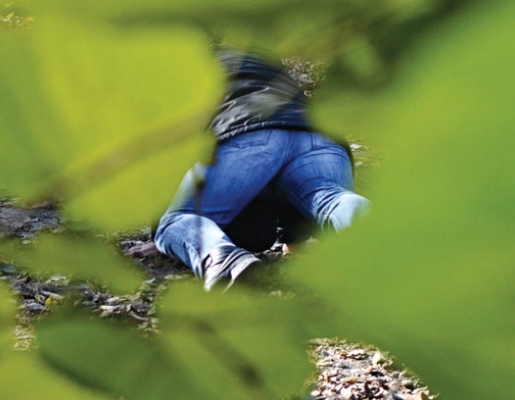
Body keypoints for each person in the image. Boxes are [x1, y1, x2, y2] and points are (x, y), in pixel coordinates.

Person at [151, 47, 370, 291]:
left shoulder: (189, 68)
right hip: (317, 134)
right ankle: (381, 237)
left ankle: (225, 260)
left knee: (173, 221)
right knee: (332, 197)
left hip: (245, 134)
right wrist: (293, 240)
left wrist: (173, 236)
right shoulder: (263, 56)